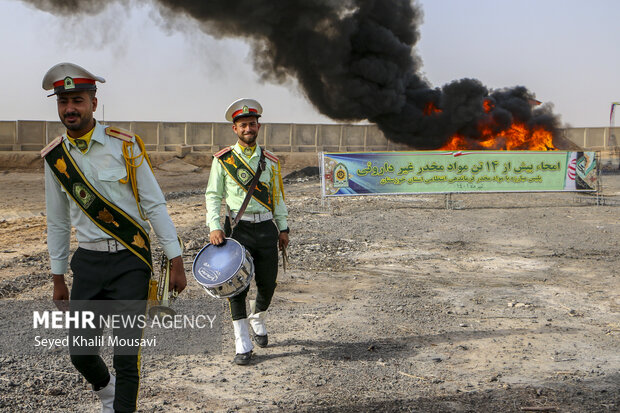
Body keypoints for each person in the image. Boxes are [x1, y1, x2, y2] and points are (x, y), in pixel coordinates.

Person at [41, 62, 186, 413]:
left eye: (77, 99)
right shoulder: (55, 158)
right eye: (63, 102)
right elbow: (57, 220)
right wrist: (58, 276)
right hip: (87, 264)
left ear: (93, 100)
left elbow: (154, 205)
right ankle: (108, 393)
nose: (70, 108)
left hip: (129, 262)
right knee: (80, 352)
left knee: (126, 354)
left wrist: (177, 260)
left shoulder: (125, 145)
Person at [205, 98, 289, 365]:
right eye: (243, 125)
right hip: (237, 230)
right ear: (235, 129)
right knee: (236, 287)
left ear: (258, 127)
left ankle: (258, 317)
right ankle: (242, 343)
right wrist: (215, 226)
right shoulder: (223, 160)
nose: (248, 129)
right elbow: (212, 195)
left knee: (268, 283)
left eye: (252, 124)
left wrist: (283, 228)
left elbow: (278, 199)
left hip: (266, 228)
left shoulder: (271, 162)